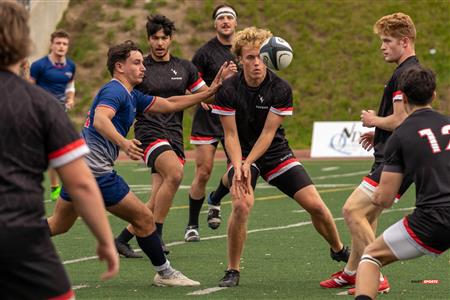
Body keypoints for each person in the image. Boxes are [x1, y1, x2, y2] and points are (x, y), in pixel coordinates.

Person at [47, 40, 222, 287]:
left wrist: (207, 93)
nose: (143, 68)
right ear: (120, 66)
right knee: (144, 219)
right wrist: (124, 143)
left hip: (76, 169)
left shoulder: (132, 95)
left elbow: (169, 104)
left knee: (59, 225)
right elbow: (100, 119)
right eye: (137, 63)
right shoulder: (115, 90)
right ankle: (165, 273)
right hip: (94, 173)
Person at [212, 27, 349, 287]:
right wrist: (239, 165)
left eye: (260, 57)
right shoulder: (228, 89)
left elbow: (268, 133)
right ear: (240, 60)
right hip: (239, 151)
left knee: (317, 206)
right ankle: (233, 270)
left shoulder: (280, 88)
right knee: (241, 205)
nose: (256, 63)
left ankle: (338, 248)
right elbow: (229, 135)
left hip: (274, 151)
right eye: (249, 57)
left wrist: (249, 162)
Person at [0, 2, 118, 299]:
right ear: (23, 42)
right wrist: (105, 238)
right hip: (20, 234)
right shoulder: (42, 105)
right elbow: (80, 182)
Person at [114, 15, 233, 255]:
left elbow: (206, 95)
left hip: (174, 136)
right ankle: (155, 234)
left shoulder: (185, 68)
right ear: (148, 39)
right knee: (176, 173)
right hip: (149, 133)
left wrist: (219, 85)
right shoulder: (140, 68)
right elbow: (122, 94)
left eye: (164, 38)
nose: (160, 43)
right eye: (155, 38)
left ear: (171, 39)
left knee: (157, 196)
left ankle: (123, 238)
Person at [320, 12, 419, 294]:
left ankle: (374, 274)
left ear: (405, 41)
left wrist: (373, 120)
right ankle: (352, 272)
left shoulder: (405, 73)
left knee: (352, 211)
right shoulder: (409, 70)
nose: (382, 46)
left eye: (387, 40)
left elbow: (400, 120)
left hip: (396, 160)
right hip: (397, 155)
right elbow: (407, 120)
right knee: (369, 216)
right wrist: (378, 133)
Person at [354, 66, 450, 300]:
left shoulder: (401, 135)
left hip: (434, 220)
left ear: (403, 97)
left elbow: (384, 198)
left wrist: (373, 199)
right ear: (434, 95)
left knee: (370, 257)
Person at [186, 3, 239, 242]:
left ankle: (216, 199)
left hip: (235, 118)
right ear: (215, 24)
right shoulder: (205, 52)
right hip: (208, 118)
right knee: (204, 170)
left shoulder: (243, 49)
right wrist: (203, 96)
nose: (226, 21)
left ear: (235, 22)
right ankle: (192, 225)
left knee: (236, 171)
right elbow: (190, 79)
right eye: (221, 18)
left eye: (229, 17)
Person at [30, 29, 76, 201]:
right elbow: (30, 88)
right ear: (51, 44)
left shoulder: (71, 66)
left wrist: (70, 99)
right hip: (39, 114)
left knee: (58, 151)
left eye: (64, 44)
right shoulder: (39, 65)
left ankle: (56, 188)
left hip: (59, 113)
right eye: (58, 43)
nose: (61, 46)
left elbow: (70, 86)